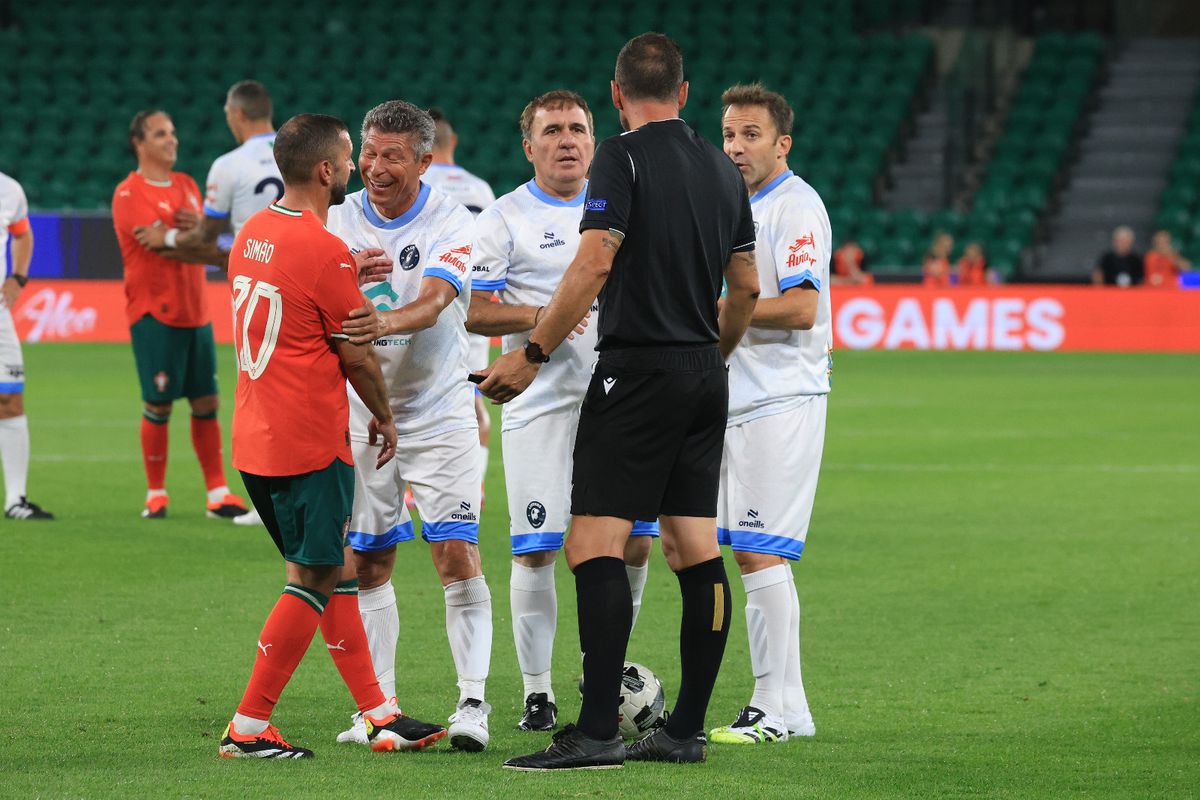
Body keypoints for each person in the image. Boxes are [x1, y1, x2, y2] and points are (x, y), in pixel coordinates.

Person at [485, 32, 760, 770]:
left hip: (636, 371)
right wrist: (711, 359)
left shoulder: (622, 156)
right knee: (693, 547)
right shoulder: (723, 167)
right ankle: (684, 731)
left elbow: (594, 262)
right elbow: (745, 288)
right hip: (702, 370)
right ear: (685, 92)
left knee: (590, 545)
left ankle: (598, 730)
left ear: (615, 96)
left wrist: (532, 353)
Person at [219, 112, 445, 759]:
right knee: (314, 577)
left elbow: (299, 298)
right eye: (348, 157)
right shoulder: (322, 251)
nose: (355, 167)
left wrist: (346, 273)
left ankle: (379, 713)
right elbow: (357, 356)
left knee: (337, 568)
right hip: (308, 443)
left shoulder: (252, 233)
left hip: (256, 437)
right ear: (326, 170)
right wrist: (385, 415)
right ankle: (248, 727)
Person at [467, 89, 658, 733]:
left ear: (595, 141)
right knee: (538, 548)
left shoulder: (625, 204)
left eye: (578, 128)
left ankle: (605, 668)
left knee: (635, 542)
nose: (567, 140)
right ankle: (537, 691)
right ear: (529, 147)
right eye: (552, 131)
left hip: (622, 400)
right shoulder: (504, 217)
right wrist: (546, 314)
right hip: (539, 404)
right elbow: (475, 310)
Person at [324, 100, 494, 753]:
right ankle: (380, 708)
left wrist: (381, 322)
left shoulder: (451, 219)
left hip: (439, 411)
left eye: (391, 156)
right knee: (369, 560)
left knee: (455, 553)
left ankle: (472, 702)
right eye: (368, 153)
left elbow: (437, 299)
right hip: (363, 413)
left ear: (424, 161)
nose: (375, 167)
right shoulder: (337, 219)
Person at [708, 83, 830, 746]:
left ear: (782, 143)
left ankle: (767, 710)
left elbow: (803, 308)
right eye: (729, 134)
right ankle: (793, 707)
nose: (735, 146)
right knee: (757, 553)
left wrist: (716, 312)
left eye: (750, 135)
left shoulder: (794, 205)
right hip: (740, 398)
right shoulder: (736, 207)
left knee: (759, 551)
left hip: (781, 398)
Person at [111, 110, 249, 521]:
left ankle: (217, 493)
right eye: (160, 134)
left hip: (196, 310)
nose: (172, 139)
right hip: (154, 312)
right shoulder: (128, 194)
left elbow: (195, 239)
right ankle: (156, 493)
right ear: (139, 143)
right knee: (159, 404)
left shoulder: (188, 185)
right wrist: (222, 256)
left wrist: (200, 238)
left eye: (172, 132)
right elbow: (163, 246)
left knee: (207, 400)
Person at [422, 107, 496, 510]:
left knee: (419, 394)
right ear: (454, 142)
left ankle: (420, 485)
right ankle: (474, 487)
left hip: (432, 302)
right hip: (474, 304)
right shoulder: (481, 189)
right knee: (472, 397)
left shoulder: (422, 186)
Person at [0, 171, 52, 520]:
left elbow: (22, 234)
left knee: (10, 398)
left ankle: (15, 499)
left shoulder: (8, 189)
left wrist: (18, 277)